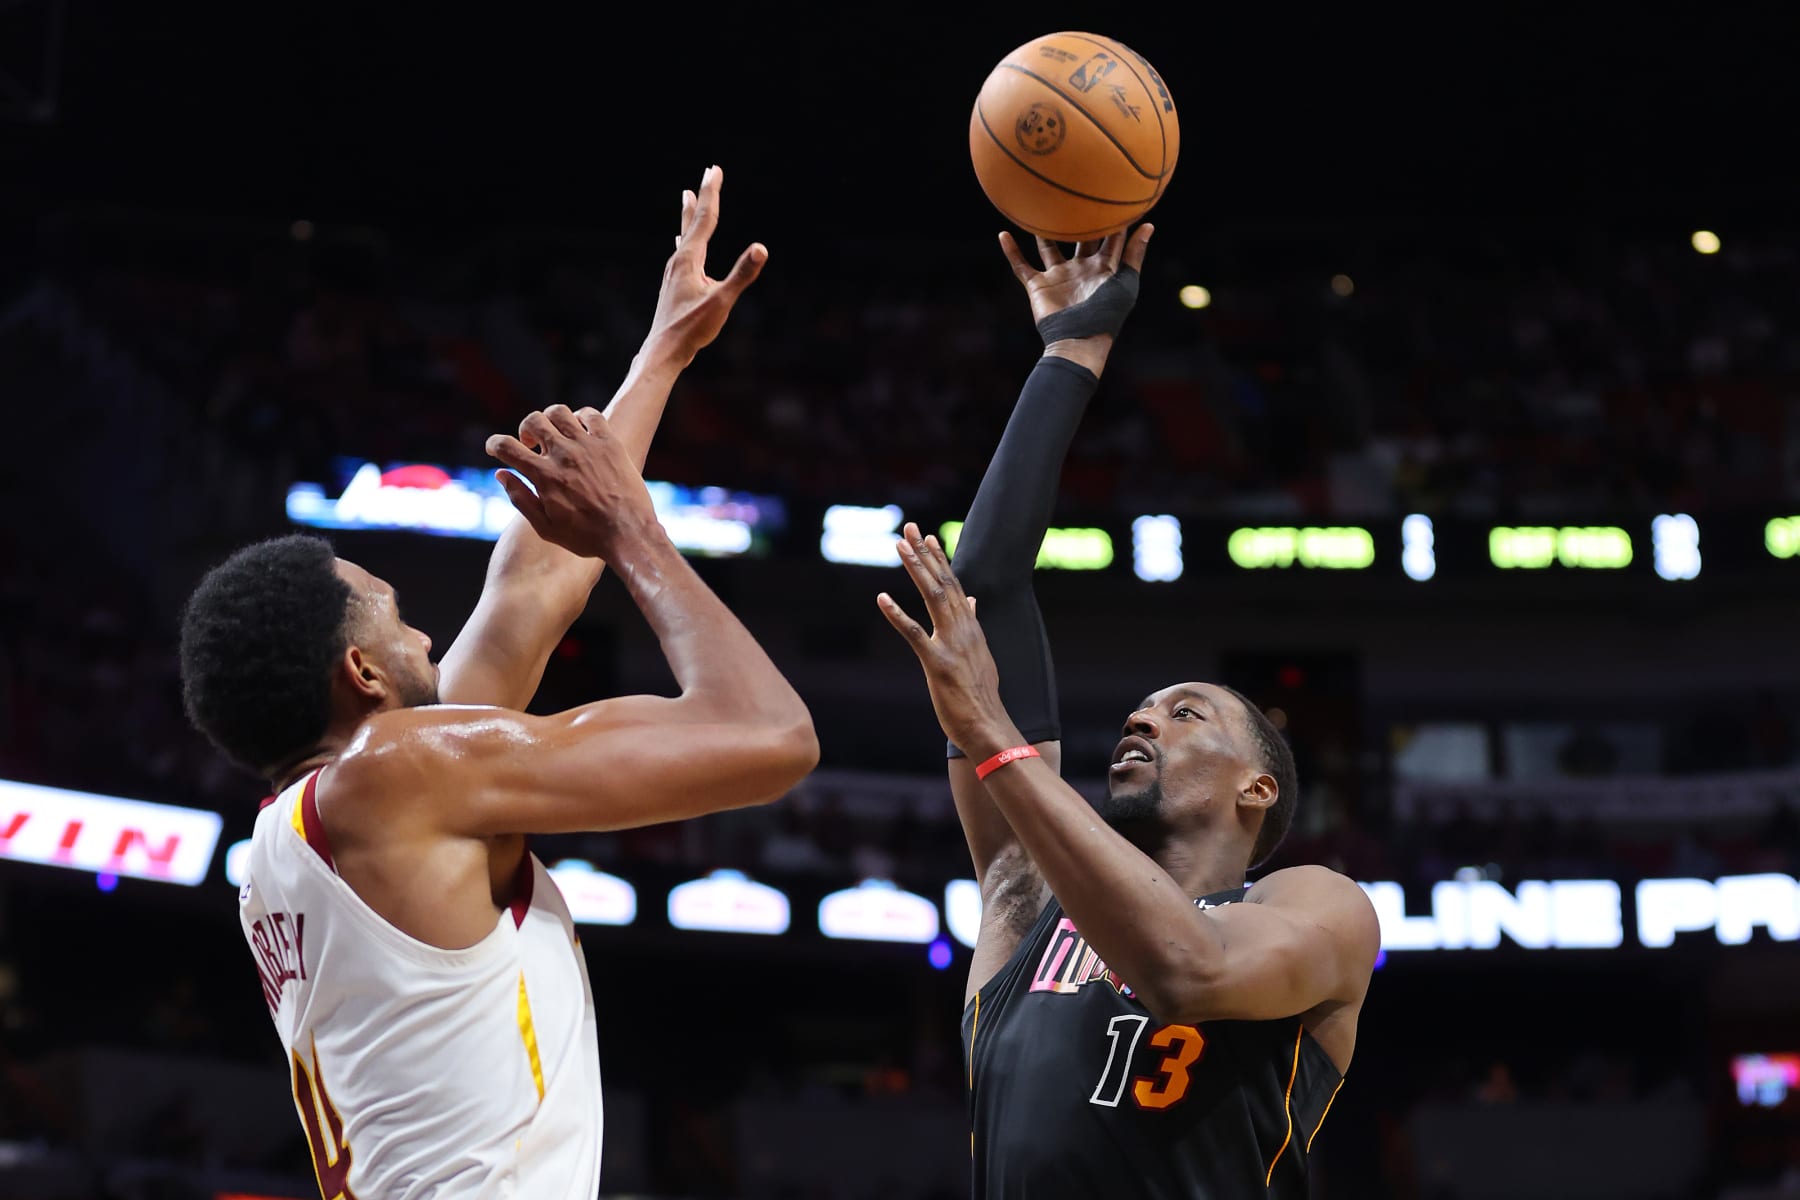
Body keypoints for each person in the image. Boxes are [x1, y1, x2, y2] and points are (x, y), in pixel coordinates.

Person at [179, 167, 818, 1200]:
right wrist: (638, 537)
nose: (427, 634)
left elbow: (526, 595)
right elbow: (770, 734)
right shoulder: (395, 773)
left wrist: (664, 351)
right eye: (397, 619)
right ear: (361, 673)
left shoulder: (318, 818)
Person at [876, 227, 1380, 1197]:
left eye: (1187, 715)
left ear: (1257, 788)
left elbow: (1189, 973)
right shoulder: (1028, 898)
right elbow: (989, 584)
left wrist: (990, 735)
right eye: (1142, 712)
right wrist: (1072, 351)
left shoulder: (1314, 908)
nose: (1142, 722)